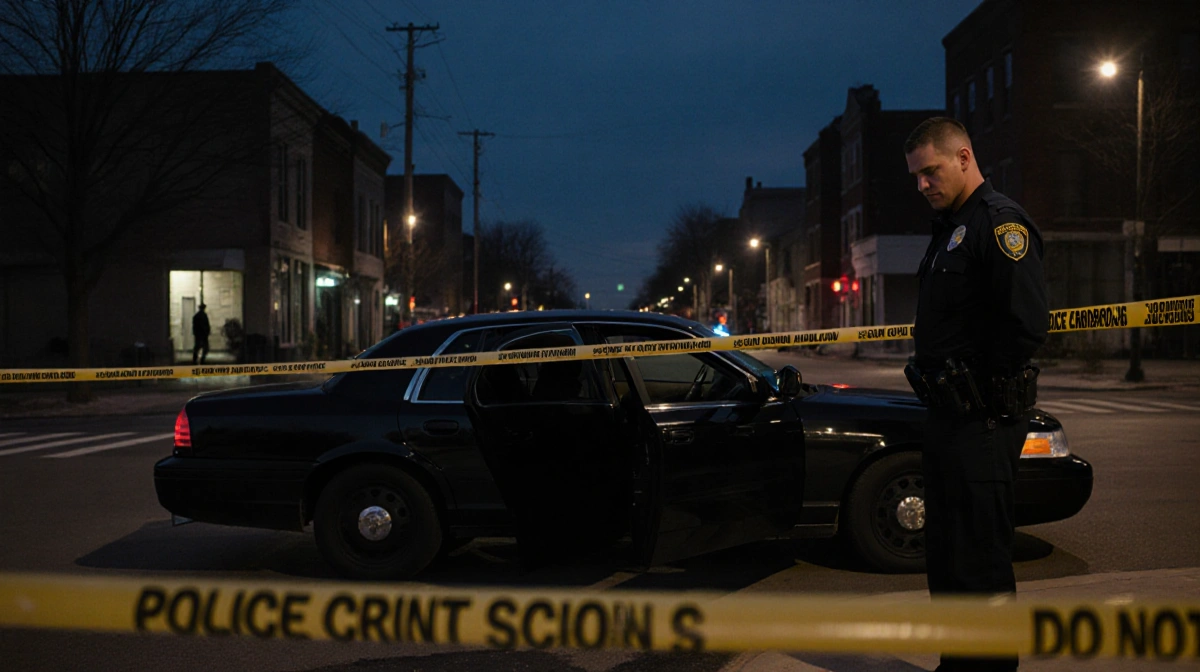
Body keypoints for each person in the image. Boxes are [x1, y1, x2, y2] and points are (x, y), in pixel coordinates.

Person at [903, 117, 1047, 672]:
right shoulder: (949, 229)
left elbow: (1026, 325)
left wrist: (978, 384)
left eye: (930, 171)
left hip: (983, 420)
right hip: (948, 420)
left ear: (964, 157)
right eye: (915, 176)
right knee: (947, 559)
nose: (922, 185)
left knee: (980, 564)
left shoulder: (999, 223)